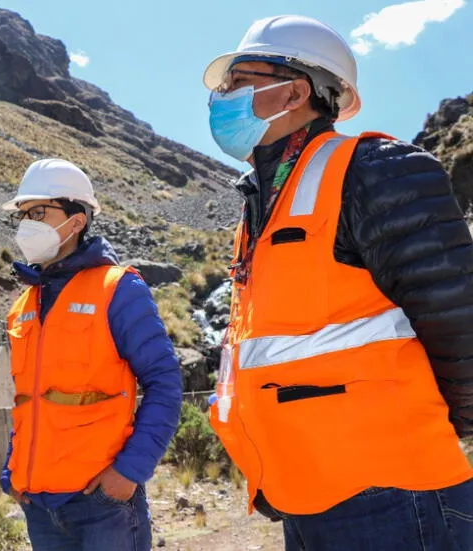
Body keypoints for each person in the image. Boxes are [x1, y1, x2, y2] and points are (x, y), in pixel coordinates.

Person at [203, 15, 473, 550]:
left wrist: (437, 430)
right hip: (301, 492)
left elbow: (459, 322)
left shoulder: (374, 170)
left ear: (295, 92)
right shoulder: (263, 206)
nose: (223, 98)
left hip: (390, 492)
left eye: (239, 82)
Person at [0, 158, 183, 551]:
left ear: (77, 219)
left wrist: (129, 472)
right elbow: (27, 398)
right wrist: (11, 472)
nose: (27, 223)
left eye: (39, 212)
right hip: (39, 505)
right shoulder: (22, 305)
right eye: (23, 214)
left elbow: (165, 382)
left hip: (101, 502)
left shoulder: (118, 289)